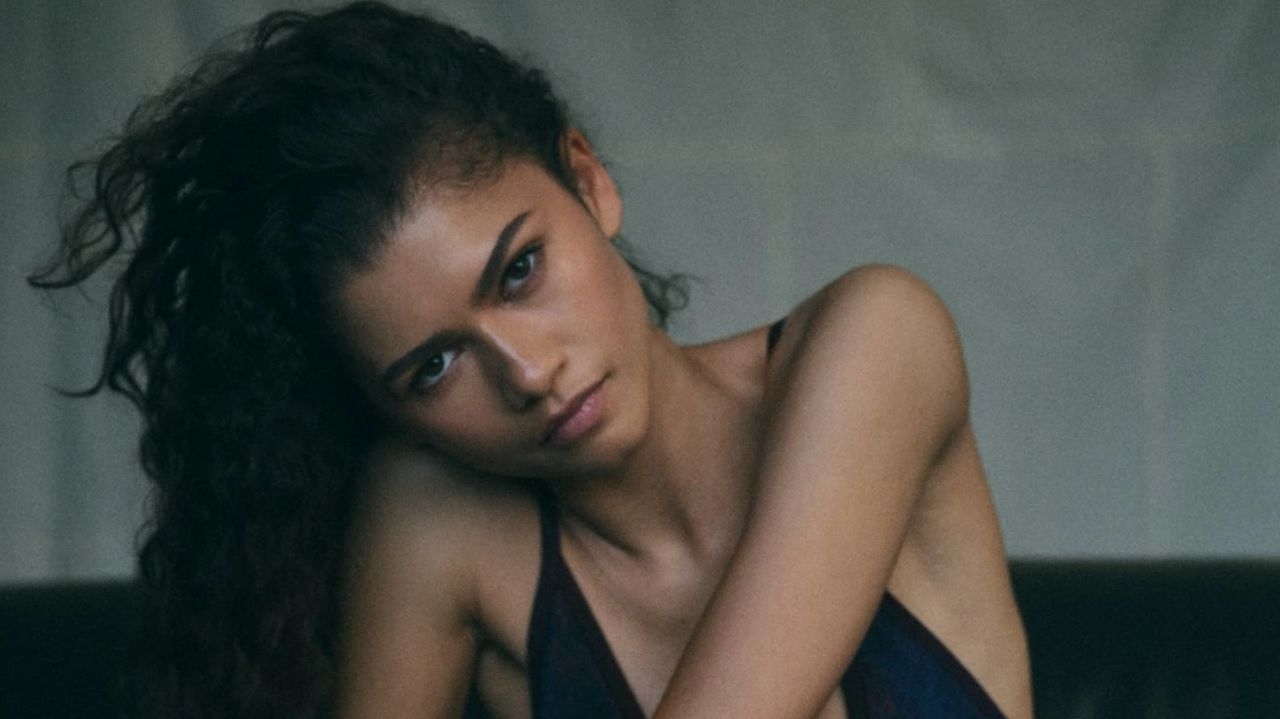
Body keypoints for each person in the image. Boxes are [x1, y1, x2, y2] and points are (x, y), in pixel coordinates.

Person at [30, 3, 1032, 718]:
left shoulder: (873, 337)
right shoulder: (439, 520)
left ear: (589, 183)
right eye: (432, 368)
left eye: (518, 270)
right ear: (389, 410)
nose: (526, 372)